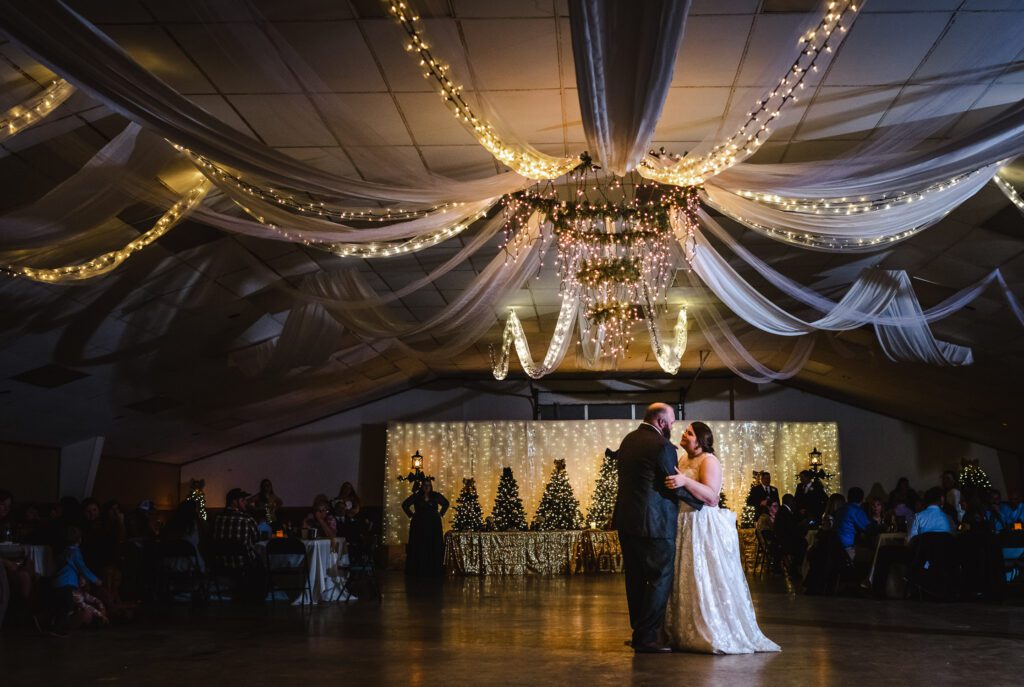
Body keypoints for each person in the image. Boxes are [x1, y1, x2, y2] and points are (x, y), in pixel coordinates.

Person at [662, 420, 779, 654]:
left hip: (702, 522)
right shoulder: (683, 459)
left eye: (689, 433)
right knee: (686, 576)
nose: (684, 434)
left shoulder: (709, 460)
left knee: (704, 574)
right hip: (684, 521)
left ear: (700, 441)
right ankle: (683, 630)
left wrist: (685, 481)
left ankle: (711, 628)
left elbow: (712, 497)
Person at [51, 526, 108, 632]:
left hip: (57, 584)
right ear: (80, 540)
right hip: (67, 584)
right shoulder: (75, 552)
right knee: (67, 607)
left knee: (61, 607)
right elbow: (83, 568)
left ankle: (54, 625)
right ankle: (58, 629)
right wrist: (96, 580)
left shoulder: (63, 553)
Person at [401, 479, 449, 578]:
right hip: (419, 524)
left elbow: (446, 503)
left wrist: (440, 514)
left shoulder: (435, 495)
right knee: (419, 544)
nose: (427, 487)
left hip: (433, 524)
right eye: (425, 485)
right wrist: (411, 515)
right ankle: (418, 569)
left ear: (431, 486)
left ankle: (433, 568)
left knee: (432, 544)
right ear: (422, 486)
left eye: (428, 485)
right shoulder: (416, 496)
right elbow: (405, 505)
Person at [834, 487, 874, 560]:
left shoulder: (841, 509)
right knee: (876, 554)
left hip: (835, 547)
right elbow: (869, 529)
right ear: (862, 499)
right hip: (847, 550)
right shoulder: (856, 510)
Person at [774, 493, 807, 582]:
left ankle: (796, 569)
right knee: (803, 544)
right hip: (786, 542)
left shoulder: (782, 511)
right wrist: (802, 526)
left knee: (802, 542)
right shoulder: (785, 512)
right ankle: (796, 569)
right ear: (790, 501)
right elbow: (791, 529)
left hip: (783, 540)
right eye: (793, 501)